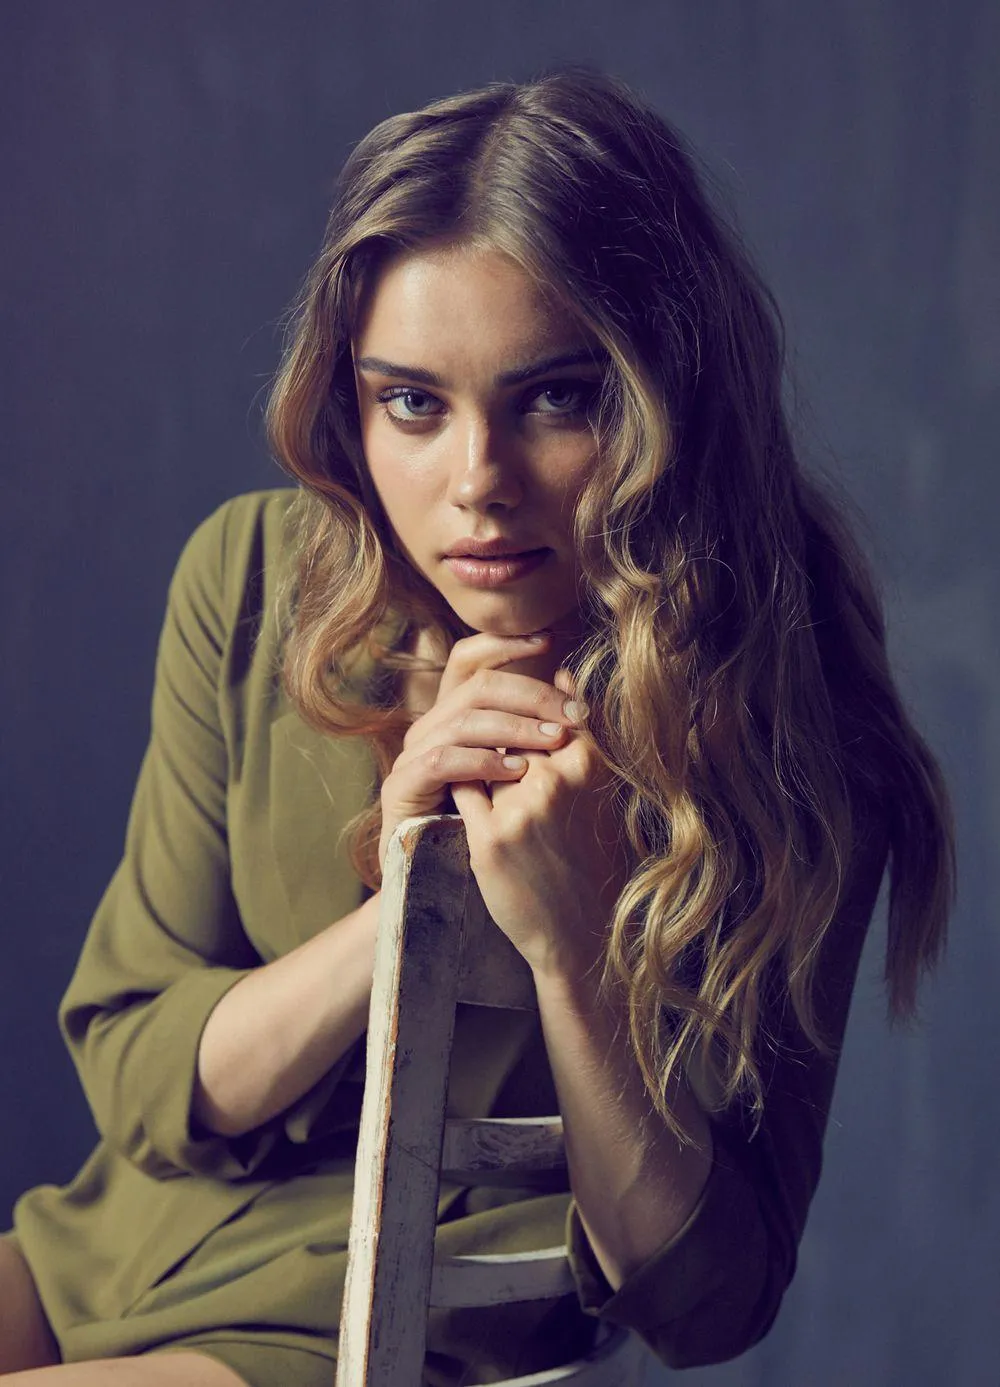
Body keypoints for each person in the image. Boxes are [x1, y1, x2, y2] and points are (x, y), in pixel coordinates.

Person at [0, 64, 955, 1387]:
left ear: (668, 391)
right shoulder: (256, 579)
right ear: (352, 396)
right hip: (101, 1248)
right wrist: (403, 902)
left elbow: (712, 1299)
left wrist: (568, 943)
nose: (477, 485)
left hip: (356, 1330)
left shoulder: (792, 729)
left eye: (554, 398)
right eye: (413, 401)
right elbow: (140, 1075)